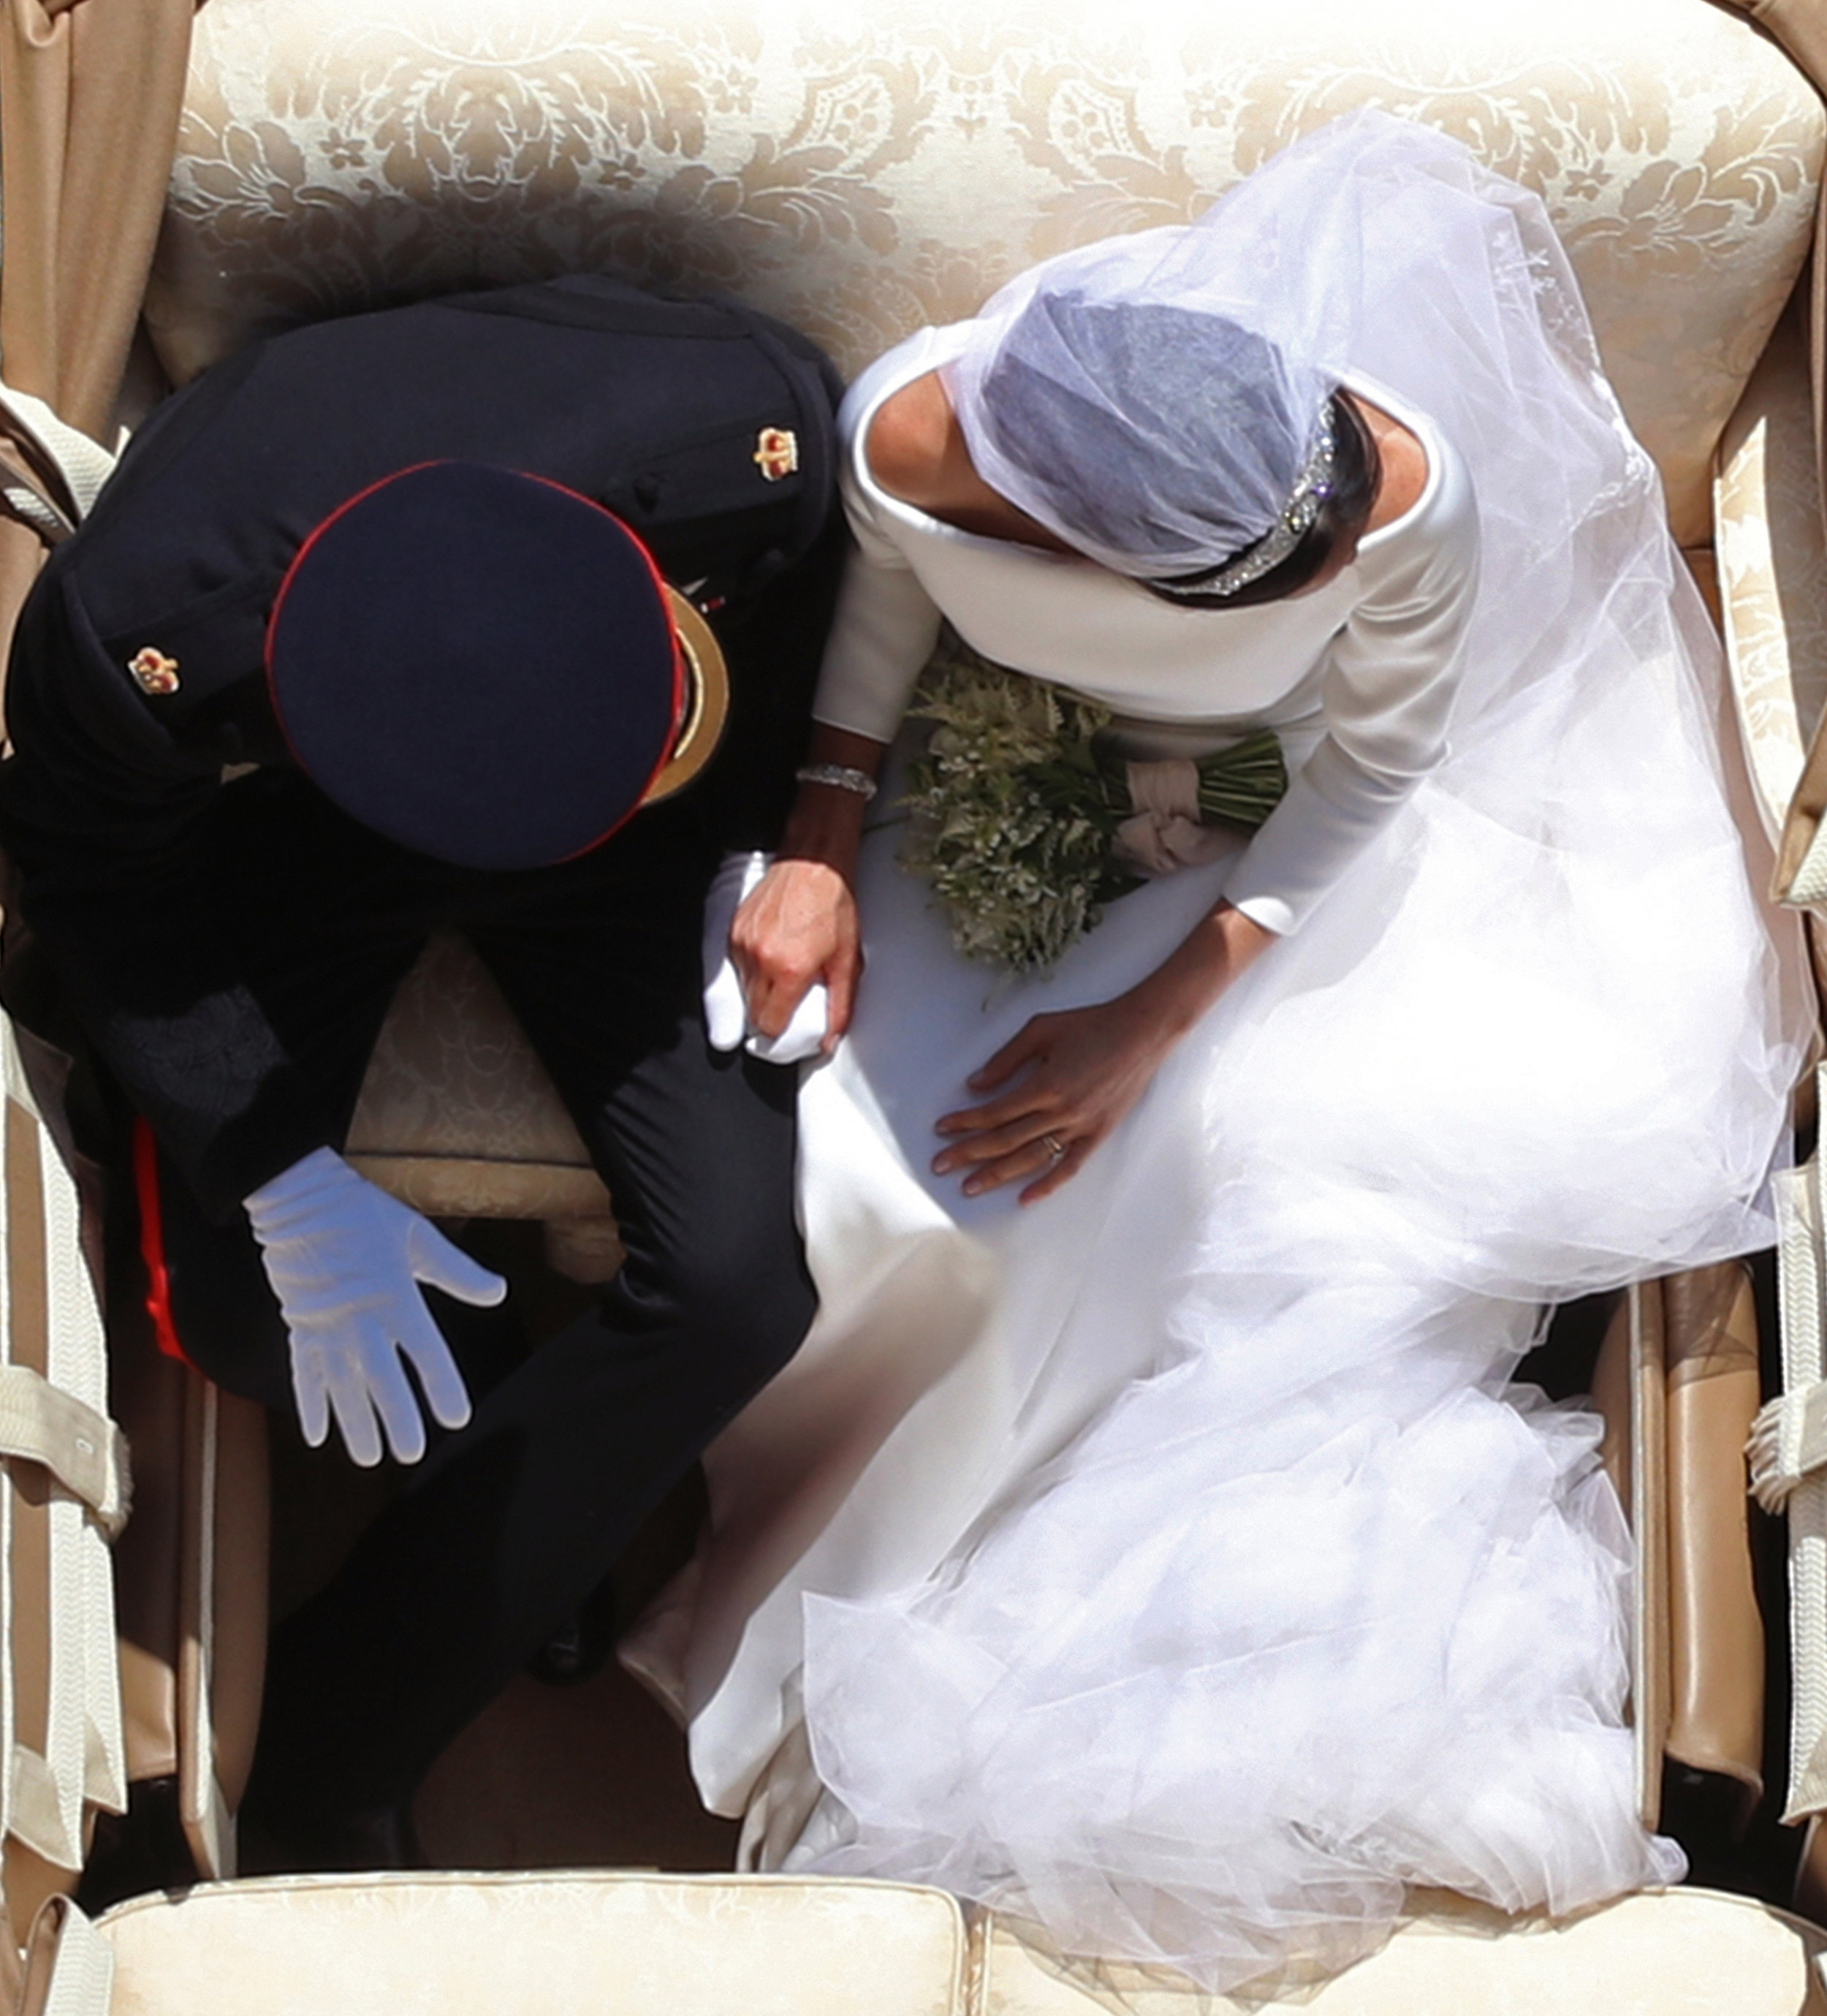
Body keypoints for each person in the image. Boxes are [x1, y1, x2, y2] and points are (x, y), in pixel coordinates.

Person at [635, 113, 1804, 1991]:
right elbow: (880, 615)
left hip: (1285, 862)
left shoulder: (1389, 485)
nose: (1347, 521)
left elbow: (1377, 763)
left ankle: (928, 1596)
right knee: (885, 1167)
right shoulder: (924, 433)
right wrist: (823, 843)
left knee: (1140, 1176)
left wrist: (1140, 1022)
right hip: (997, 771)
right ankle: (770, 1553)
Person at [0, 273, 844, 1862]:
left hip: (646, 824)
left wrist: (803, 830)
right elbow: (97, 879)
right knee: (258, 1313)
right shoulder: (139, 638)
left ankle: (341, 1719)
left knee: (741, 1284)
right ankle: (485, 1547)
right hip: (314, 844)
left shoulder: (742, 431)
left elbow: (812, 600)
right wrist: (286, 1180)